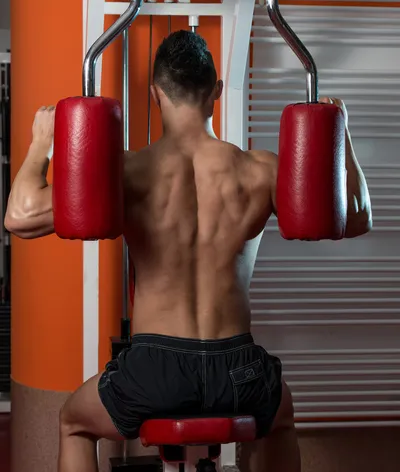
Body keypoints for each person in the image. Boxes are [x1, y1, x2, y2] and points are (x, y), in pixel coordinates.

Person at [5, 30, 372, 472]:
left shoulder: (126, 172)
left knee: (73, 423)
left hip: (155, 370)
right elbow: (355, 217)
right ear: (216, 91)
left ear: (156, 95)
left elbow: (20, 218)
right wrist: (342, 136)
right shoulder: (261, 170)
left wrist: (41, 145)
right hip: (238, 369)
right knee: (278, 418)